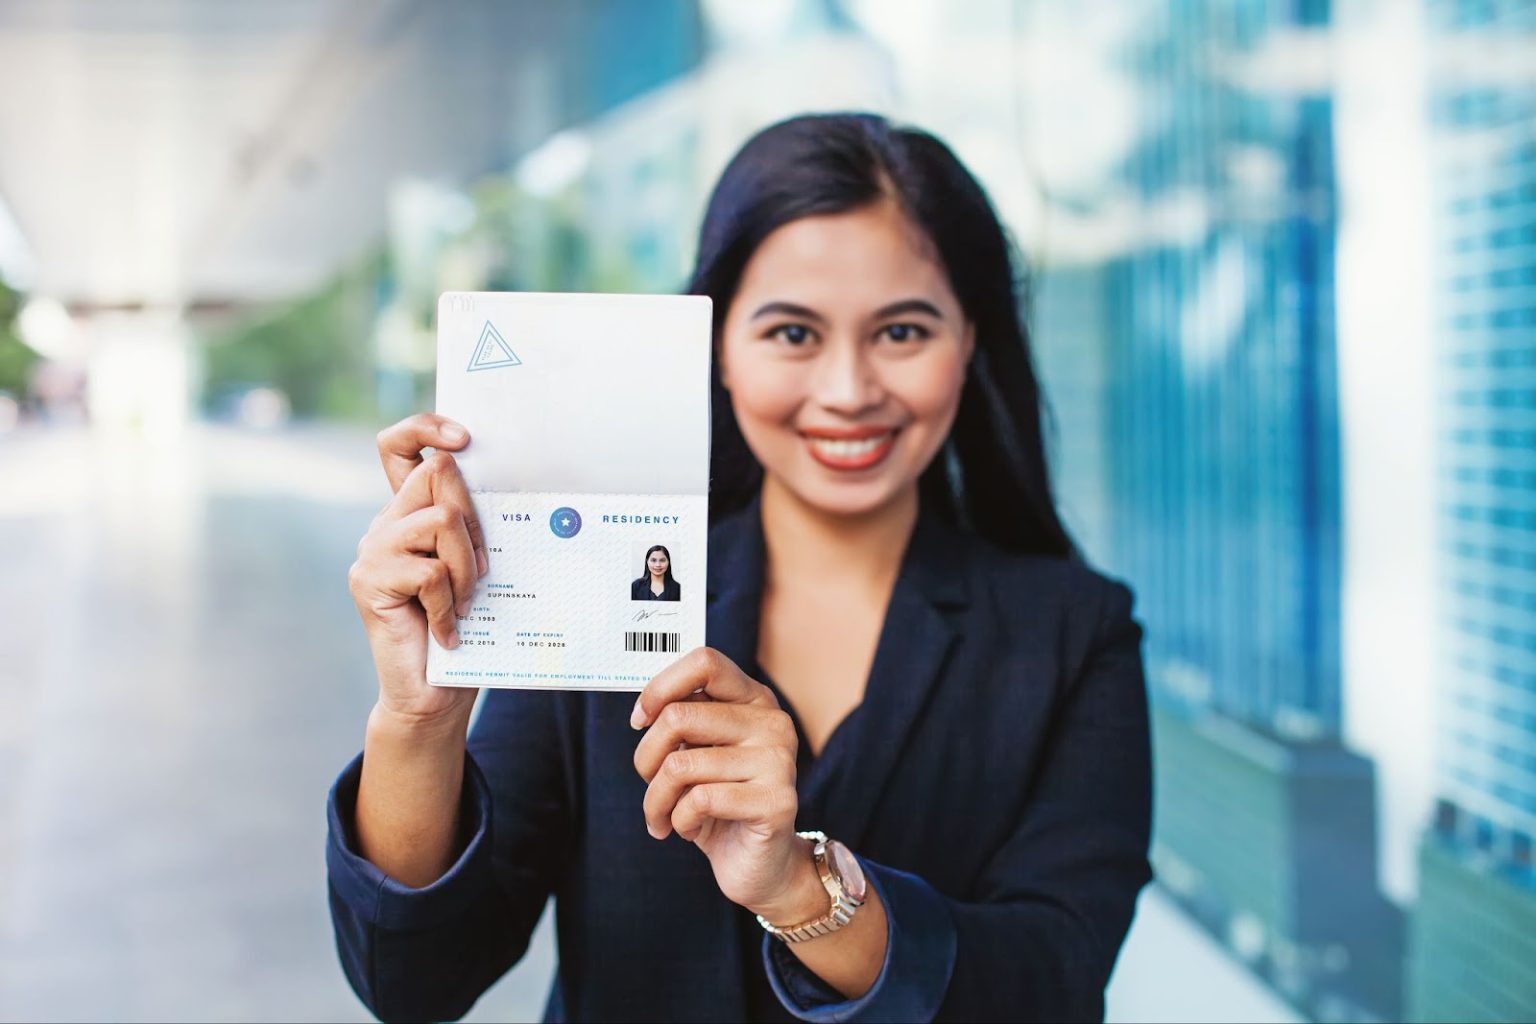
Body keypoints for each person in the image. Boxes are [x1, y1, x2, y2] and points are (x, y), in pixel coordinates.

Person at [331, 112, 1152, 1023]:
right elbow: (417, 983)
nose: (847, 391)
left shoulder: (1076, 634)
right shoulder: (590, 584)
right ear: (717, 348)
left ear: (971, 342)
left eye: (904, 332)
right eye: (793, 334)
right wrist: (419, 719)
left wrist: (801, 891)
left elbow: (1055, 982)